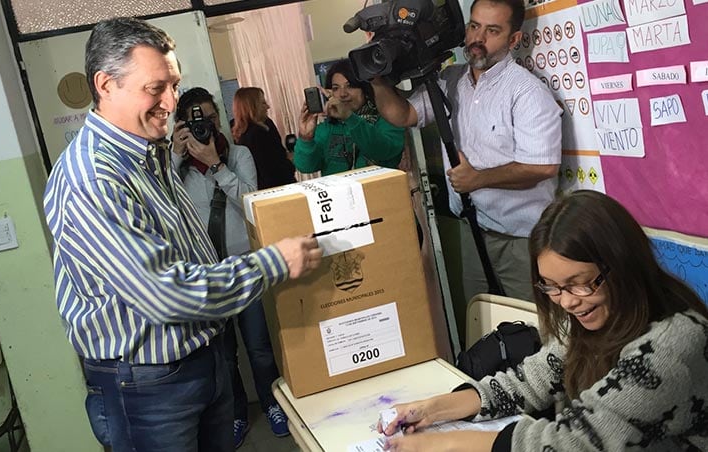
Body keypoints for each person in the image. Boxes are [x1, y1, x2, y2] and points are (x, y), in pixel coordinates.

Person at [43, 17, 322, 452]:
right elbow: (165, 293)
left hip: (198, 363)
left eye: (173, 86)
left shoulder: (146, 154)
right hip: (148, 387)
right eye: (156, 88)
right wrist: (275, 262)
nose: (171, 102)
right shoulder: (94, 177)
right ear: (105, 84)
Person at [379, 190, 708, 451]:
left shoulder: (672, 344)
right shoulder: (593, 319)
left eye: (579, 282)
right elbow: (527, 382)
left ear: (622, 266)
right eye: (551, 286)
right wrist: (430, 410)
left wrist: (443, 444)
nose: (566, 301)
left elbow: (572, 443)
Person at [371, 0, 562, 302]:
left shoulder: (526, 93)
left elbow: (543, 167)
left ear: (513, 39)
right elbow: (404, 114)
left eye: (492, 31)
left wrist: (478, 179)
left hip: (521, 241)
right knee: (483, 322)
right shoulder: (452, 79)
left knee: (531, 329)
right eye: (474, 26)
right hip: (473, 229)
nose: (477, 39)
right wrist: (376, 76)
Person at [170, 87, 289, 448]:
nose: (204, 125)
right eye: (194, 120)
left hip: (244, 265)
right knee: (223, 354)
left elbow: (252, 204)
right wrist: (176, 157)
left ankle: (273, 403)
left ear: (218, 118)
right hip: (204, 272)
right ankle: (236, 413)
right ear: (180, 125)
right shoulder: (174, 166)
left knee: (259, 346)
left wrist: (218, 166)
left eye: (208, 117)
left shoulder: (239, 155)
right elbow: (164, 203)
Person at [295, 59, 405, 176]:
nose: (343, 94)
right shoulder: (327, 129)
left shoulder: (388, 119)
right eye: (336, 88)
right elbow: (305, 166)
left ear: (365, 88)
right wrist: (306, 138)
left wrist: (349, 118)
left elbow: (382, 151)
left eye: (350, 86)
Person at [231, 87, 296, 189]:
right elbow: (273, 170)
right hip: (279, 190)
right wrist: (290, 163)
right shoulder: (258, 134)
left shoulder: (244, 134)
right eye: (263, 103)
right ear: (252, 107)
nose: (268, 107)